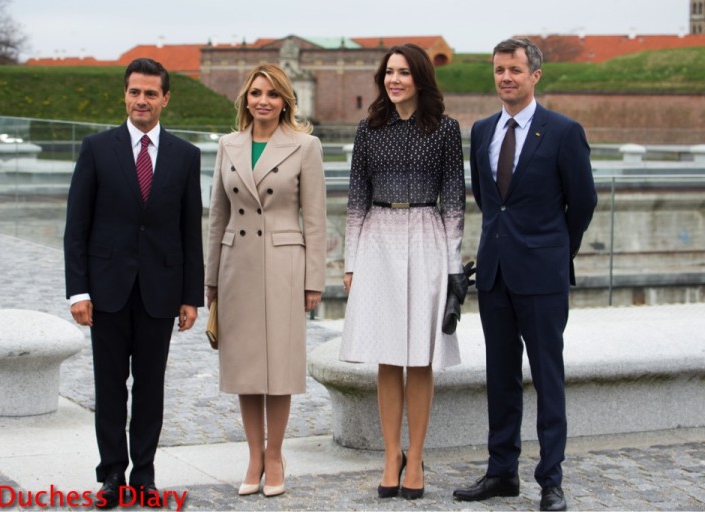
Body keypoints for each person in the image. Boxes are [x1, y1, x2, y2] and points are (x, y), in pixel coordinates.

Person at [452, 38, 596, 512]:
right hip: (495, 274)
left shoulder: (563, 132)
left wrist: (555, 250)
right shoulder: (482, 131)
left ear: (535, 75)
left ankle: (550, 481)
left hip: (542, 276)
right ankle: (501, 472)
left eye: (514, 69)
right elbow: (488, 200)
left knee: (548, 378)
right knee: (500, 377)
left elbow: (583, 201)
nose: (506, 78)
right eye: (499, 70)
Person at [64, 57, 204, 509]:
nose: (141, 100)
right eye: (134, 92)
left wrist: (191, 296)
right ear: (125, 95)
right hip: (106, 291)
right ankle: (111, 476)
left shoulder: (185, 156)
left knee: (149, 387)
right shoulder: (96, 149)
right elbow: (76, 227)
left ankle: (144, 476)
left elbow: (190, 231)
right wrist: (79, 290)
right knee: (109, 387)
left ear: (165, 98)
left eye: (150, 93)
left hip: (159, 292)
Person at [339, 43, 468, 501]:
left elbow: (455, 202)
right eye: (389, 72)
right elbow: (355, 199)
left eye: (403, 72)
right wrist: (350, 264)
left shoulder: (446, 130)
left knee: (420, 356)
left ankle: (416, 457)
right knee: (387, 355)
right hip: (378, 240)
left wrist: (454, 269)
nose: (394, 80)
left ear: (420, 78)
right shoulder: (368, 129)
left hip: (427, 238)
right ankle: (391, 455)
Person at [204, 63, 327, 498]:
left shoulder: (305, 146)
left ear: (285, 101)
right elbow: (217, 216)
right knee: (246, 365)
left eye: (273, 94)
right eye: (256, 93)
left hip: (283, 265)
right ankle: (253, 455)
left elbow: (315, 218)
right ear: (246, 99)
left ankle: (274, 455)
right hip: (236, 264)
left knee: (279, 364)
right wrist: (210, 279)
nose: (263, 101)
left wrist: (314, 280)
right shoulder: (228, 145)